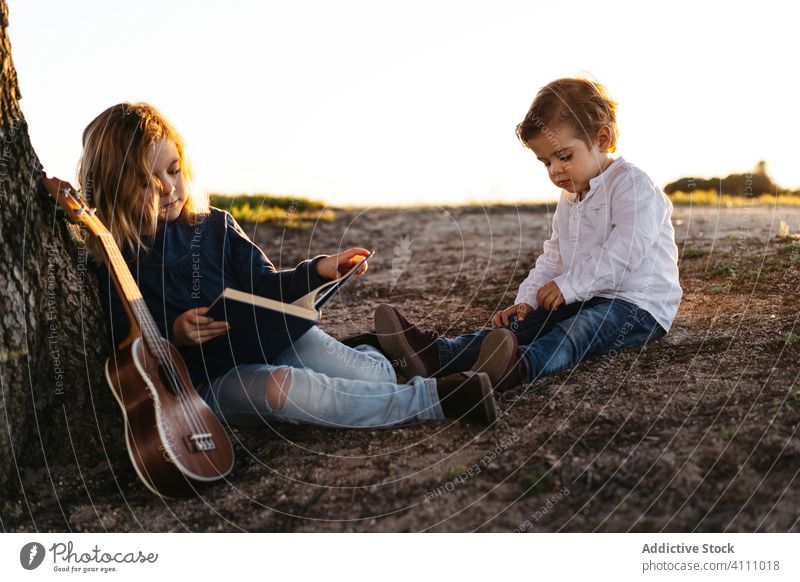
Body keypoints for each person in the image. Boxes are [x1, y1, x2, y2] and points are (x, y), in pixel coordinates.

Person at [65, 102, 497, 427]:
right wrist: (174, 333)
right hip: (207, 384)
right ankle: (435, 400)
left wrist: (319, 269)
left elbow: (264, 285)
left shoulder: (215, 226)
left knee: (369, 374)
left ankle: (382, 357)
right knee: (292, 390)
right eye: (146, 182)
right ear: (113, 189)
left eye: (174, 170)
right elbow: (125, 344)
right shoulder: (112, 261)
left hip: (269, 340)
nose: (168, 188)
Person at [375, 77, 682, 391]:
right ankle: (438, 355)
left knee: (577, 330)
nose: (555, 171)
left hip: (637, 306)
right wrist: (526, 302)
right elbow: (553, 258)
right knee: (526, 324)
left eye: (564, 156)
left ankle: (518, 366)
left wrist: (570, 285)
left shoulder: (632, 185)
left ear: (602, 138)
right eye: (546, 162)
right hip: (584, 295)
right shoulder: (570, 199)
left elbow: (625, 252)